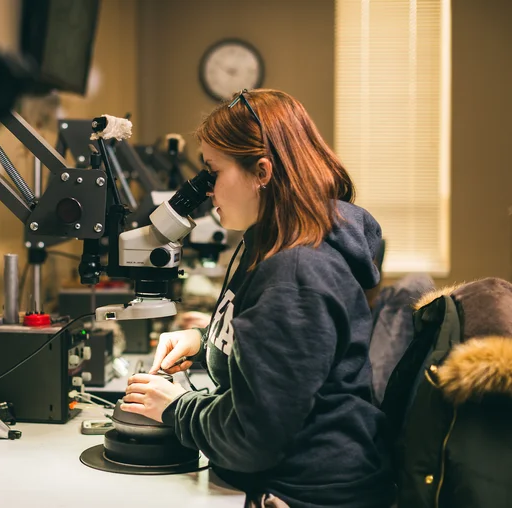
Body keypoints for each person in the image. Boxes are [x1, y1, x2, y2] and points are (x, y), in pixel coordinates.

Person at [121, 89, 394, 508]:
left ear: (262, 171)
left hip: (306, 493)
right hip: (284, 476)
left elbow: (252, 438)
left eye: (213, 172)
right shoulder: (268, 239)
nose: (207, 190)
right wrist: (207, 342)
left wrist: (176, 407)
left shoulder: (297, 274)